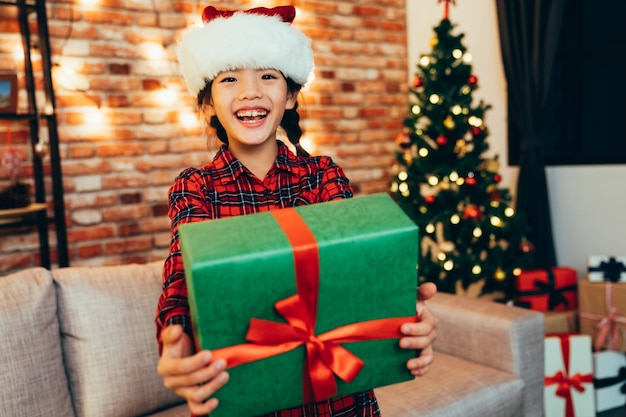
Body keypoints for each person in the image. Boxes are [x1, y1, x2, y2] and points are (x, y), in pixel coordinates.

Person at [155, 5, 438, 417]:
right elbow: (181, 278)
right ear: (208, 104)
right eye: (230, 78)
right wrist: (174, 339)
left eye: (267, 76)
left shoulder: (323, 176)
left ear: (289, 95)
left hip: (341, 400)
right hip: (251, 400)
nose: (250, 91)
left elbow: (355, 264)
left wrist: (404, 312)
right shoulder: (196, 188)